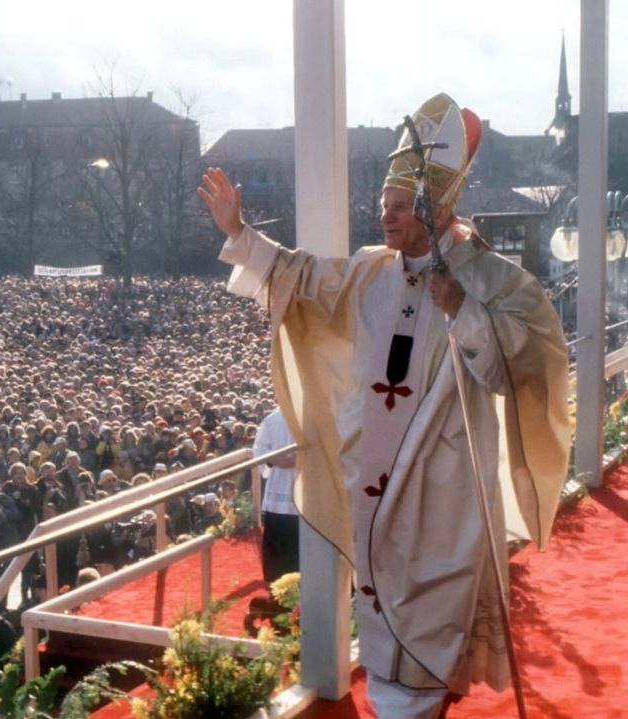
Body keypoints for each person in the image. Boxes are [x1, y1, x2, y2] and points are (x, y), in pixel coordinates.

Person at [198, 92, 569, 718]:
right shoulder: (374, 272)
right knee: (383, 617)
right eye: (385, 207)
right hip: (374, 483)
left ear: (435, 206)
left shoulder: (493, 279)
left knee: (431, 624)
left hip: (445, 492)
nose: (386, 219)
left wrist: (467, 313)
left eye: (399, 208)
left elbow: (529, 367)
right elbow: (302, 276)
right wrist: (240, 233)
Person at [252, 408, 299, 583]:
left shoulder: (316, 414)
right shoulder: (272, 419)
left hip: (306, 479)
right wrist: (275, 459)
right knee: (278, 537)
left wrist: (298, 458)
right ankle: (276, 581)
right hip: (279, 481)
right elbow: (259, 448)